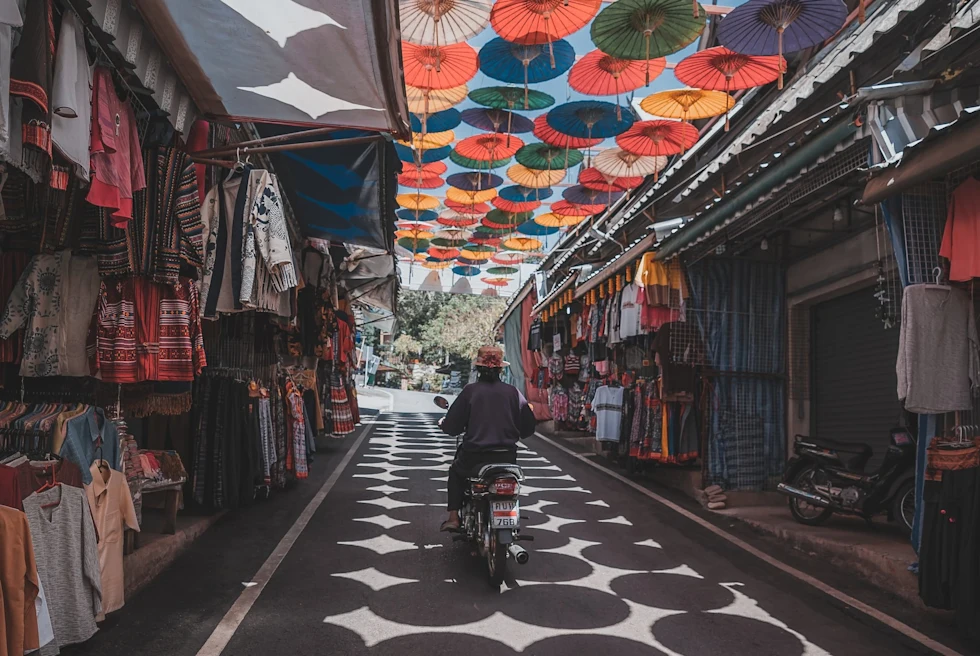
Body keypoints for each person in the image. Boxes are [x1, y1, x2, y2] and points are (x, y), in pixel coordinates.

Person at [439, 345, 536, 532]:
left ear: (478, 368)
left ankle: (453, 518)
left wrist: (445, 424)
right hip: (507, 458)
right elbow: (528, 427)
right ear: (500, 369)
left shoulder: (471, 391)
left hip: (474, 456)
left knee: (456, 473)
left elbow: (453, 427)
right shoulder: (513, 393)